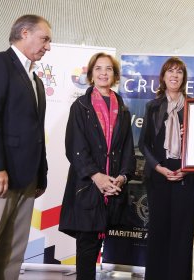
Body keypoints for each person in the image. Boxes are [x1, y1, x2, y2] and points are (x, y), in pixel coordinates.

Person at [59, 52, 136, 280]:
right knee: (86, 249)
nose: (104, 73)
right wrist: (97, 176)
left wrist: (122, 176)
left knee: (101, 245)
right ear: (91, 74)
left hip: (114, 187)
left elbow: (127, 149)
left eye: (109, 69)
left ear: (115, 75)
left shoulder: (121, 107)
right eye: (99, 68)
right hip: (88, 186)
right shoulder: (80, 106)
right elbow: (75, 146)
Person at [0, 14, 51, 280]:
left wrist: (42, 174)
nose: (48, 46)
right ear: (25, 33)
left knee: (14, 249)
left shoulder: (37, 81)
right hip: (1, 178)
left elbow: (37, 133)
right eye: (45, 39)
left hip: (28, 179)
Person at [139, 57, 194, 280]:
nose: (174, 75)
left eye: (179, 72)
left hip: (186, 176)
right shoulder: (153, 106)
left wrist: (188, 168)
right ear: (163, 77)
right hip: (159, 176)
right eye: (170, 71)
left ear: (183, 78)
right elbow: (143, 143)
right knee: (158, 232)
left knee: (182, 234)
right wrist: (158, 167)